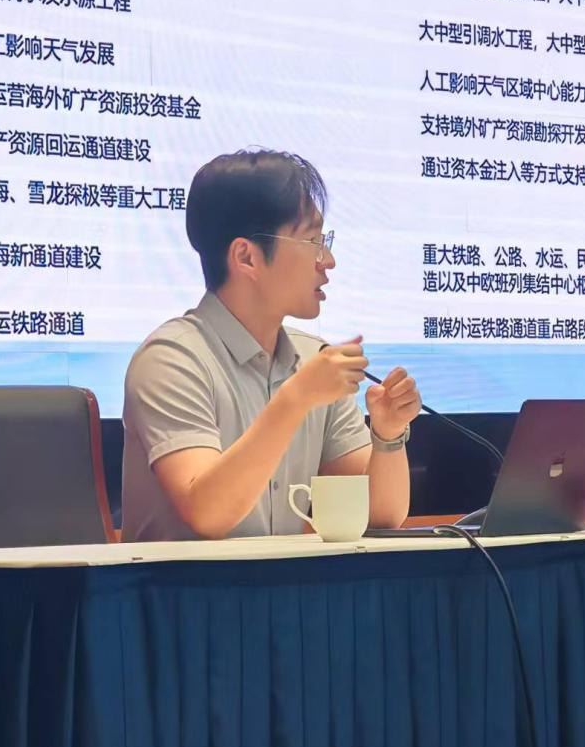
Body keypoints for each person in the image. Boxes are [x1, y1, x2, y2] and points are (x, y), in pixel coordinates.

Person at [120, 149, 421, 541]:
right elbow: (208, 515)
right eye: (312, 241)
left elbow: (380, 516)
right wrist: (295, 399)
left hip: (284, 582)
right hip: (184, 582)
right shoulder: (171, 361)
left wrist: (388, 434)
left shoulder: (314, 359)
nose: (327, 260)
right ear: (246, 257)